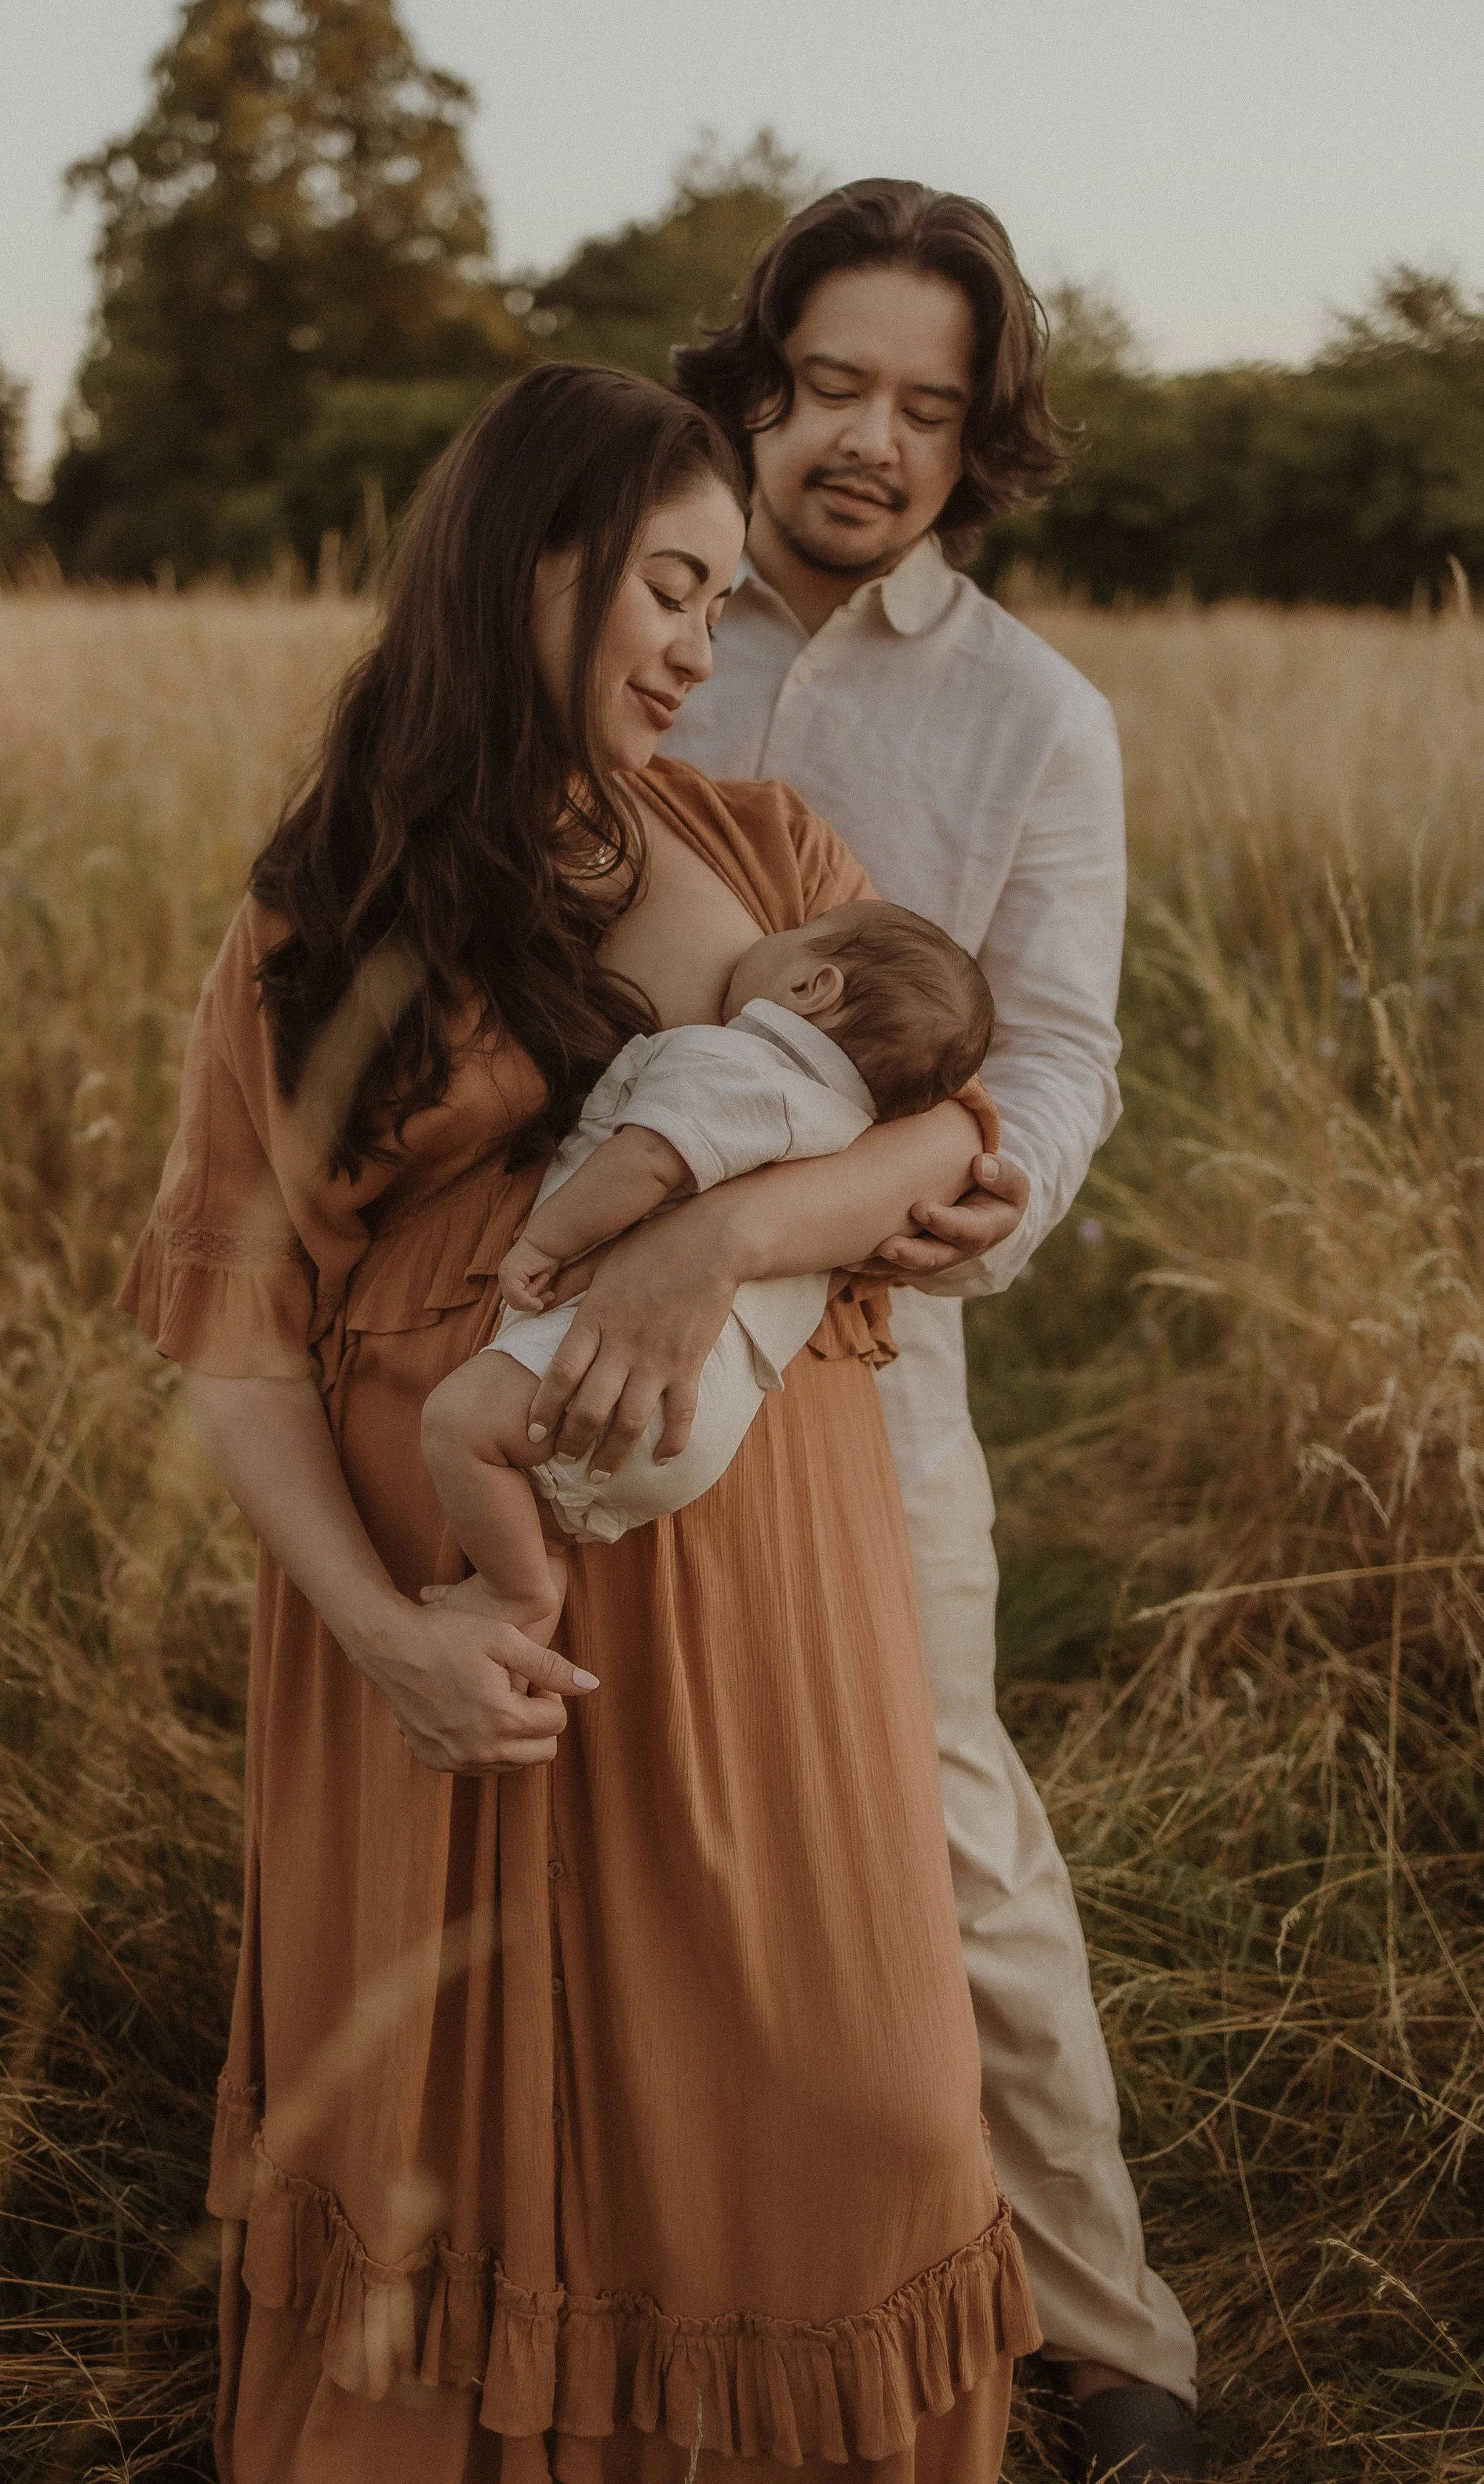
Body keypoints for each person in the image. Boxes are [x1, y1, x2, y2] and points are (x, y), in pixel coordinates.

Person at [120, 359, 1040, 2481]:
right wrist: (387, 1631)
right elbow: (236, 1350)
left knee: (860, 2094)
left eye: (721, 599)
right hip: (449, 1611)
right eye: (664, 587)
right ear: (529, 565)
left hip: (759, 1592)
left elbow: (938, 1143)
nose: (697, 647)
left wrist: (699, 1253)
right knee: (460, 2117)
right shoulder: (315, 909)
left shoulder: (762, 842)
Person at [667, 179, 1200, 2481]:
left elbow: (1062, 1047)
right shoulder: (622, 612)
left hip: (873, 1329)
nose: (867, 439)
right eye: (831, 383)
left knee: (942, 1816)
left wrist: (975, 1191)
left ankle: (1109, 2338)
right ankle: (676, 2292)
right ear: (759, 380)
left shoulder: (1028, 714)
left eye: (926, 404)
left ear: (982, 440)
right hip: (570, 1303)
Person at [419, 900, 995, 1621]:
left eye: (782, 937)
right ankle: (544, 1563)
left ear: (812, 985)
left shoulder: (737, 1065)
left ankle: (516, 1593)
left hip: (614, 1372)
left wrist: (543, 1243)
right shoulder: (845, 1146)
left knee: (456, 1425)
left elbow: (648, 1160)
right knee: (539, 1504)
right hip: (698, 1427)